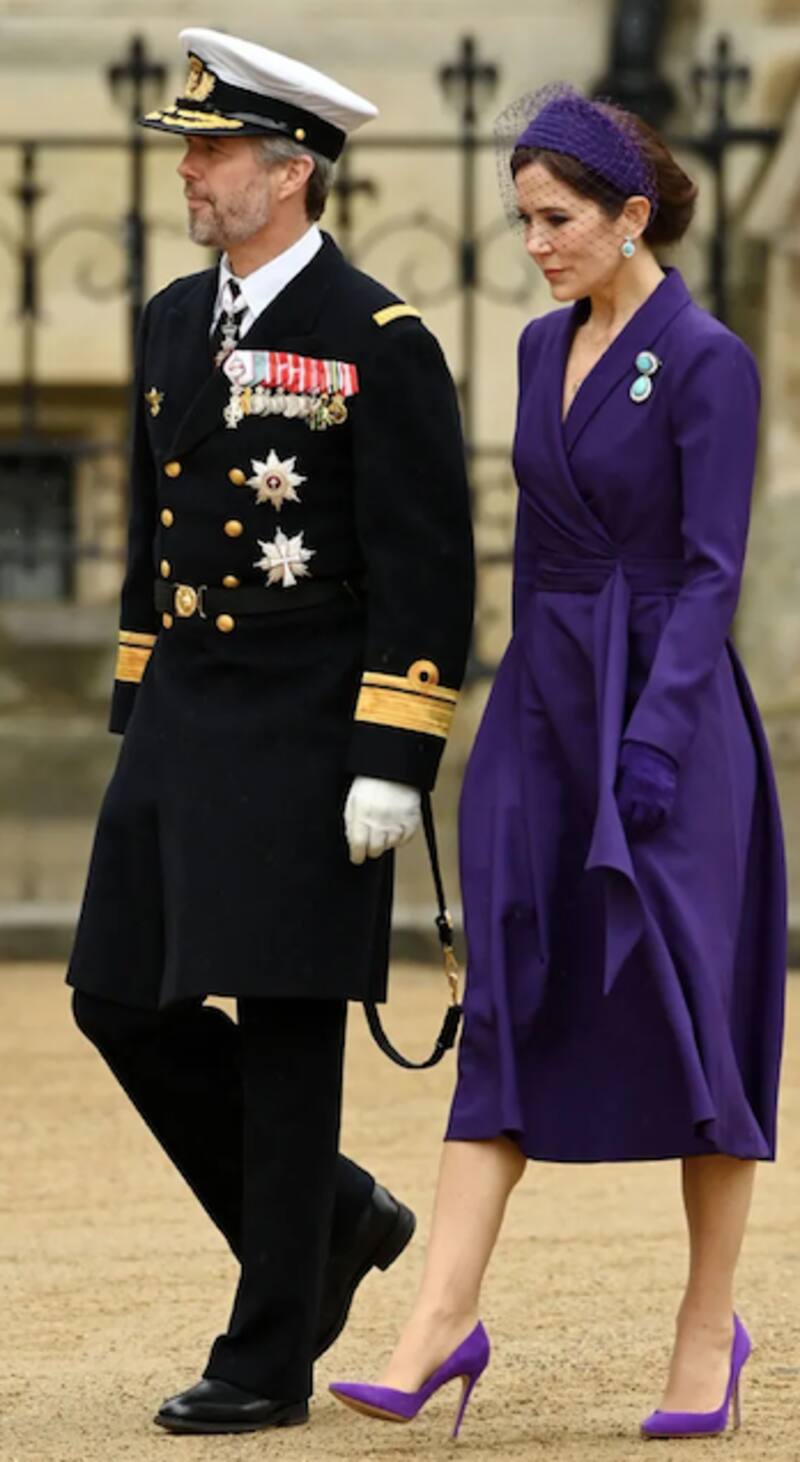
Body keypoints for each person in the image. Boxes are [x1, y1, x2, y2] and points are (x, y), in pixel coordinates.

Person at [329, 85, 787, 1442]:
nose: (535, 244)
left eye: (560, 220)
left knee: (698, 1015)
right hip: (545, 710)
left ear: (632, 214)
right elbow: (530, 558)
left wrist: (650, 741)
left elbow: (713, 578)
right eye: (522, 220)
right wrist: (511, 736)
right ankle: (434, 1322)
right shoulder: (537, 350)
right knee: (514, 999)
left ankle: (709, 1334)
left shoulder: (709, 360)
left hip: (675, 729)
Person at [67, 27, 474, 1436]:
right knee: (115, 995)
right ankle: (340, 1215)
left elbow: (428, 566)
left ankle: (268, 1347)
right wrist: (137, 700)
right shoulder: (177, 320)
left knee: (292, 1032)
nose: (190, 170)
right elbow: (150, 523)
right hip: (185, 721)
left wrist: (396, 754)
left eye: (213, 149)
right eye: (190, 147)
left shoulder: (379, 342)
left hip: (312, 734)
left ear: (289, 172)